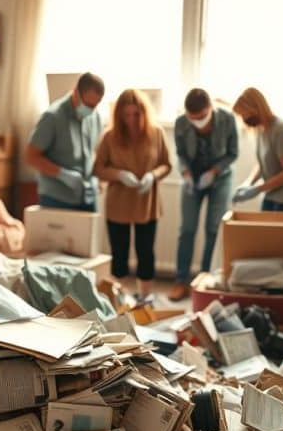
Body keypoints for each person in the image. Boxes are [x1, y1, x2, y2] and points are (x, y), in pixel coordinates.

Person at [92, 89, 171, 298]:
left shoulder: (156, 133)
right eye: (126, 115)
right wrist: (118, 175)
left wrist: (152, 176)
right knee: (119, 254)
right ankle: (122, 297)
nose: (131, 120)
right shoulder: (109, 137)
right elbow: (98, 169)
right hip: (118, 203)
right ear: (119, 115)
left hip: (147, 202)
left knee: (146, 252)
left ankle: (145, 297)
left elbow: (166, 165)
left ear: (144, 112)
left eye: (136, 114)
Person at [169, 88, 239, 301]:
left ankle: (205, 281)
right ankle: (181, 281)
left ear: (210, 109)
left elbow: (233, 153)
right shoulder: (181, 123)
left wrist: (215, 171)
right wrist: (186, 173)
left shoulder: (227, 119)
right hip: (192, 178)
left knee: (213, 229)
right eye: (192, 118)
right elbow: (180, 153)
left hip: (220, 178)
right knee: (187, 229)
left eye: (200, 117)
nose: (196, 121)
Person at [26, 72, 105, 211]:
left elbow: (95, 151)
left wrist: (96, 180)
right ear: (75, 92)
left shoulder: (95, 117)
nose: (91, 110)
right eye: (87, 104)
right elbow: (31, 156)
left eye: (95, 105)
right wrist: (62, 174)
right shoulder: (52, 117)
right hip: (56, 198)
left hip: (86, 196)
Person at [231, 87, 283, 212]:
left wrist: (258, 189)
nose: (244, 119)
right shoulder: (262, 130)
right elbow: (263, 163)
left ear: (256, 109)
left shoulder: (281, 131)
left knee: (276, 231)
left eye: (244, 114)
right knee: (264, 230)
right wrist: (248, 183)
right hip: (272, 194)